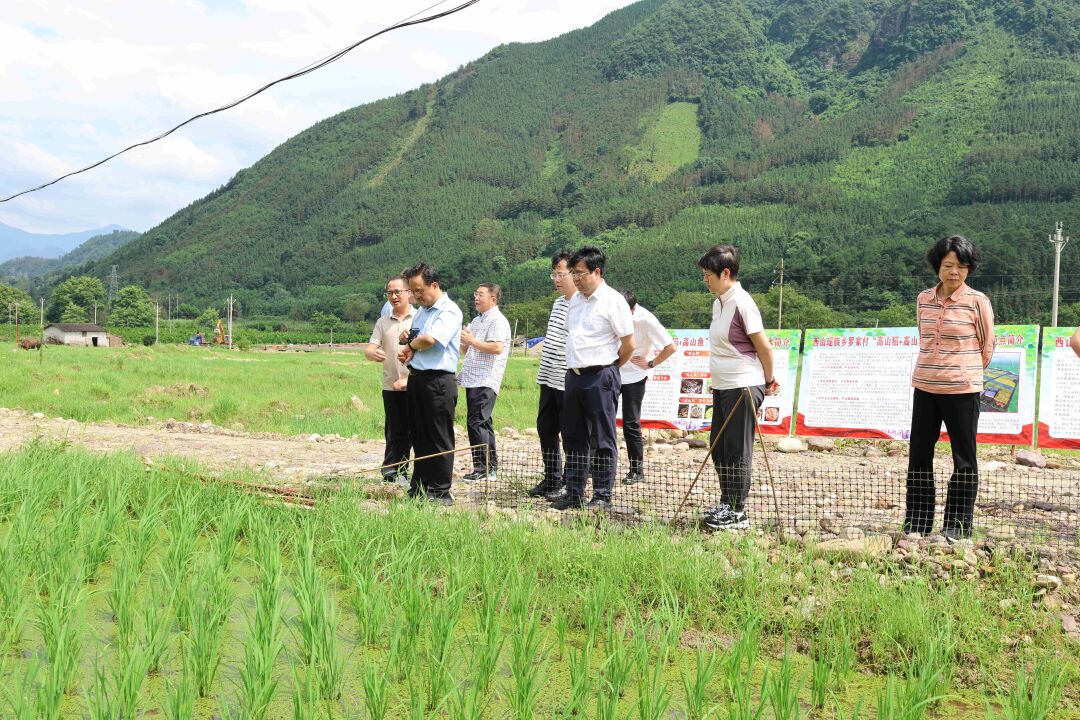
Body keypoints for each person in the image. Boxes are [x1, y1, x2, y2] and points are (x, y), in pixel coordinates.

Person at [905, 235, 994, 541]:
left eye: (961, 266)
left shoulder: (977, 301)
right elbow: (925, 337)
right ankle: (917, 522)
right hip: (925, 387)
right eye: (948, 265)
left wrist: (964, 372)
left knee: (964, 458)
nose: (954, 271)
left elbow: (986, 346)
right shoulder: (922, 299)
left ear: (969, 269)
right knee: (919, 455)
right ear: (937, 266)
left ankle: (957, 526)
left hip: (962, 390)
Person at [698, 245, 779, 531]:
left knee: (737, 450)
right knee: (718, 448)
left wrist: (769, 381)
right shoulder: (719, 302)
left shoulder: (742, 302)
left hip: (743, 385)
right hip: (722, 386)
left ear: (726, 273)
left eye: (709, 275)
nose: (705, 280)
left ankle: (737, 511)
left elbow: (764, 348)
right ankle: (727, 501)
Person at [551, 246, 635, 511]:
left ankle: (601, 495)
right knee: (573, 437)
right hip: (574, 376)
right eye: (573, 273)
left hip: (601, 375)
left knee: (602, 438)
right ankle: (574, 492)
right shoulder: (576, 301)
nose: (575, 278)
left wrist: (611, 368)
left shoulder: (613, 301)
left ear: (596, 272)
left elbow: (629, 344)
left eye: (580, 273)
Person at [397, 263, 462, 505]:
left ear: (434, 285)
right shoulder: (423, 311)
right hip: (418, 378)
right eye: (412, 292)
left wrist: (411, 344)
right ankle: (420, 486)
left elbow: (429, 339)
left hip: (439, 381)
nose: (415, 296)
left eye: (419, 290)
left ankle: (440, 490)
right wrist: (409, 341)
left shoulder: (449, 311)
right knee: (420, 435)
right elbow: (415, 336)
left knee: (439, 436)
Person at [527, 251, 577, 498]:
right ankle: (551, 478)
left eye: (561, 273)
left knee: (570, 434)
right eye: (554, 274)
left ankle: (570, 482)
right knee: (545, 429)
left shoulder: (582, 303)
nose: (557, 279)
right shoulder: (558, 303)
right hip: (548, 377)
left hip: (568, 380)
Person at [618, 289, 676, 485]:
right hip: (612, 371)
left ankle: (636, 470)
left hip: (634, 375)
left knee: (630, 423)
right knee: (600, 419)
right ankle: (597, 465)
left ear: (632, 310)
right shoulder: (611, 311)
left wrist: (651, 363)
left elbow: (670, 346)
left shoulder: (646, 319)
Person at [459, 283, 512, 481]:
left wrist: (471, 341)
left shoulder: (497, 320)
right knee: (483, 422)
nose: (476, 298)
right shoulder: (476, 320)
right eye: (475, 294)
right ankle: (490, 468)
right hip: (472, 378)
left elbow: (497, 347)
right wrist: (464, 340)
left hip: (486, 378)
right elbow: (468, 350)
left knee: (476, 422)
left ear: (493, 299)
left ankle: (483, 468)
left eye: (481, 294)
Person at [365, 276, 414, 482]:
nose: (394, 296)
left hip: (415, 384)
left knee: (413, 430)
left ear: (409, 293)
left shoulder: (419, 318)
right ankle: (392, 470)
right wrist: (372, 353)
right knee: (394, 429)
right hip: (390, 384)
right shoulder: (383, 322)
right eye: (390, 293)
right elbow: (370, 348)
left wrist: (409, 380)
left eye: (397, 292)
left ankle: (407, 471)